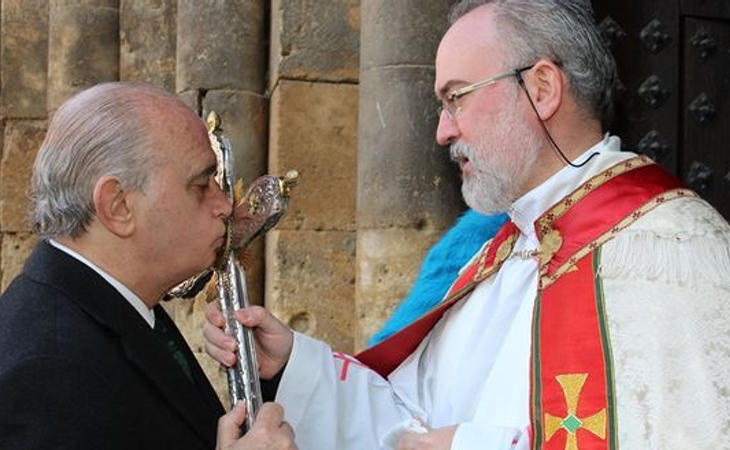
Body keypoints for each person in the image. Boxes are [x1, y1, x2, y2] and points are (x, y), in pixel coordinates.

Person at [204, 1, 730, 449]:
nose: (441, 131)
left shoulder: (671, 252)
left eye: (456, 97)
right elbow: (407, 419)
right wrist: (296, 364)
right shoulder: (501, 256)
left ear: (542, 88)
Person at [0, 83, 296, 450]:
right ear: (118, 206)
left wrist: (279, 373)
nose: (223, 205)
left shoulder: (114, 305)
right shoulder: (48, 369)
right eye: (202, 184)